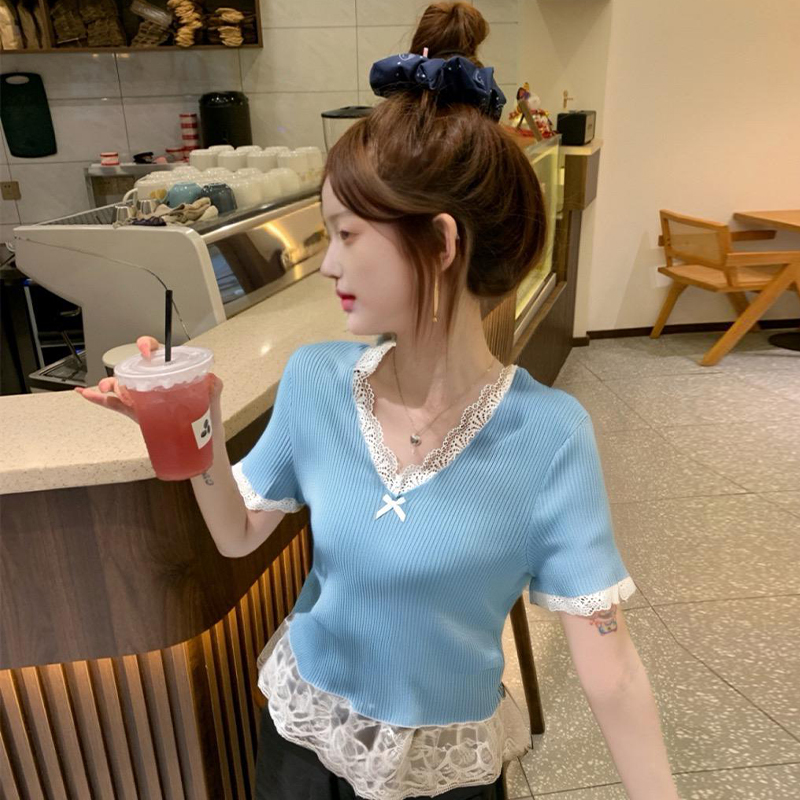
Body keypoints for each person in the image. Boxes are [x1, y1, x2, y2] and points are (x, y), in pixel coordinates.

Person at [78, 4, 680, 799]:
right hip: (303, 743)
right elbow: (235, 535)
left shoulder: (549, 435)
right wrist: (191, 423)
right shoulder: (316, 379)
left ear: (441, 243)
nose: (327, 264)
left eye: (347, 233)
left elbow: (611, 669)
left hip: (444, 770)